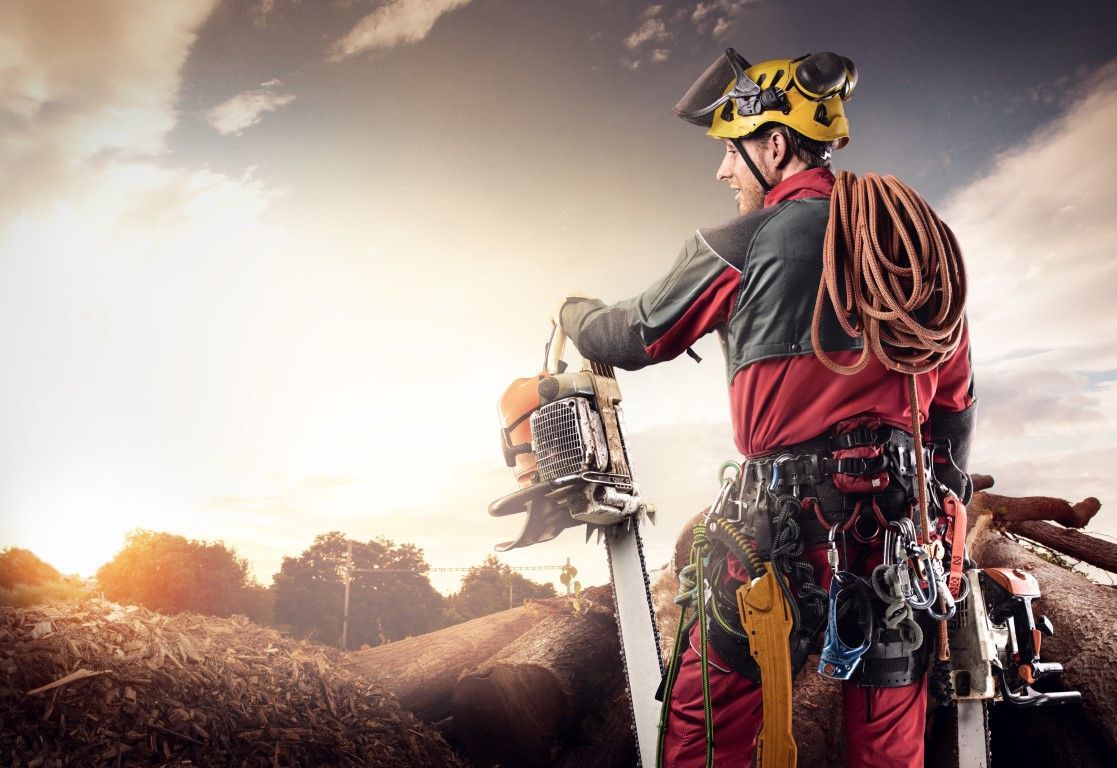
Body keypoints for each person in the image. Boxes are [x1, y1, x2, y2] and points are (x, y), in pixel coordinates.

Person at [557, 49, 975, 768]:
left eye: (730, 149)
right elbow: (955, 404)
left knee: (706, 726)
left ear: (773, 145)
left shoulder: (739, 244)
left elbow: (632, 335)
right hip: (899, 530)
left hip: (773, 529)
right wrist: (944, 510)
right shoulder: (916, 244)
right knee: (888, 746)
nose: (723, 170)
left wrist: (574, 311)